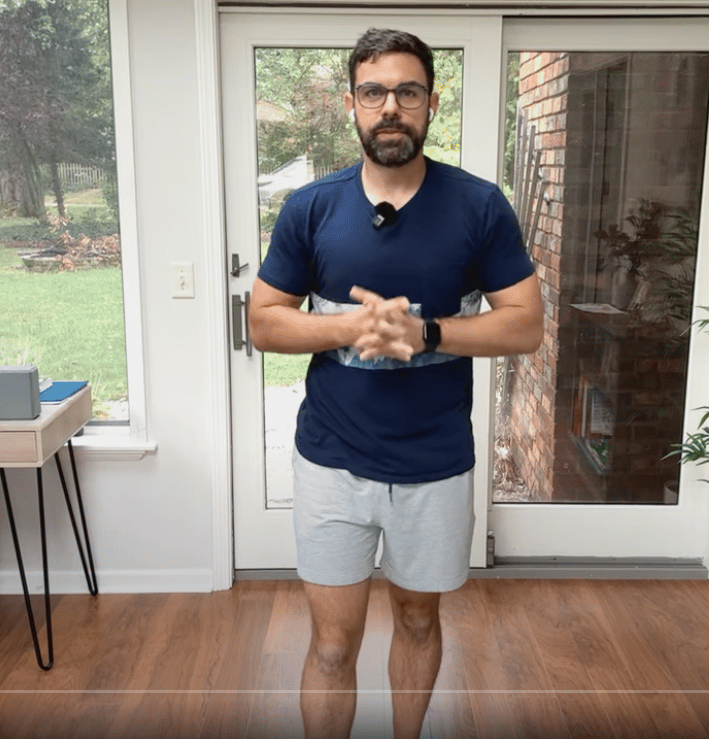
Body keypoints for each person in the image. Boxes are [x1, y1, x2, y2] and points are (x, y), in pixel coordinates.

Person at [247, 27, 543, 739]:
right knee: (331, 644)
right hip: (332, 461)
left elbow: (525, 325)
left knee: (416, 620)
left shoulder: (479, 205)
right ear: (350, 103)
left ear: (431, 104)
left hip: (435, 461)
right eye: (374, 92)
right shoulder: (311, 208)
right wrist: (352, 326)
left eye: (407, 92)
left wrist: (426, 334)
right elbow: (263, 321)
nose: (390, 107)